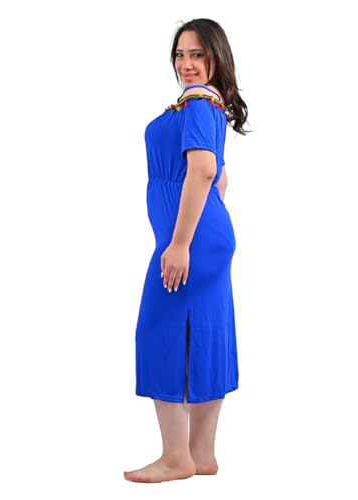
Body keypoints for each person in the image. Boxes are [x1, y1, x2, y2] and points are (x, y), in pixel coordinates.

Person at [124, 18, 249, 483]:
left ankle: (177, 457)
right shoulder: (205, 105)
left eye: (197, 54)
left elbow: (203, 171)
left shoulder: (198, 102)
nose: (186, 63)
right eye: (180, 54)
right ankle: (201, 454)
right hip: (205, 235)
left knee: (158, 328)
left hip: (190, 239)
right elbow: (220, 178)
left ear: (216, 57)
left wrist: (179, 243)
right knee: (207, 328)